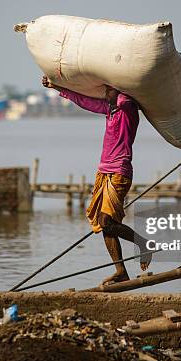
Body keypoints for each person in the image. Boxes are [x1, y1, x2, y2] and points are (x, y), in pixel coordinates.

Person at [42, 76, 151, 285]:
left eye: (109, 90)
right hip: (103, 173)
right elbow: (83, 101)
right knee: (104, 224)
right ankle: (121, 271)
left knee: (106, 222)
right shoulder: (109, 109)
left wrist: (116, 83)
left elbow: (125, 98)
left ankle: (143, 244)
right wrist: (57, 86)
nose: (105, 93)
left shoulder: (127, 108)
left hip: (119, 172)